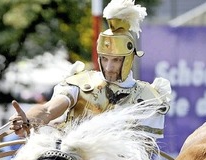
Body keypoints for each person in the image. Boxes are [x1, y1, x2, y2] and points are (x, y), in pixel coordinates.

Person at [9, 0, 171, 143]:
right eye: (105, 59)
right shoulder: (79, 83)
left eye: (116, 60)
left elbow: (144, 149)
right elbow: (48, 110)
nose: (108, 67)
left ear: (129, 59)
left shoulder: (149, 98)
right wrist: (28, 120)